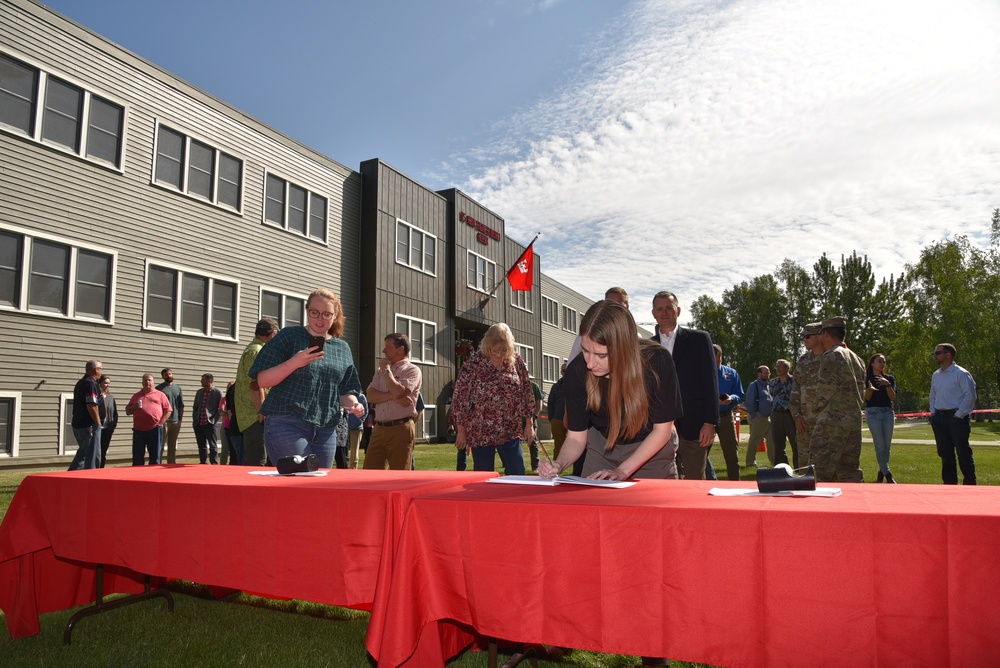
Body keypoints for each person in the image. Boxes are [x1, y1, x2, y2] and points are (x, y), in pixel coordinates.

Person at [539, 299, 682, 480]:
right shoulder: (577, 370)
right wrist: (558, 464)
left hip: (651, 451)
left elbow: (662, 430)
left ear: (624, 348)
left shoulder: (657, 361)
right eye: (585, 351)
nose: (590, 363)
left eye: (601, 355)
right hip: (601, 449)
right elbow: (576, 438)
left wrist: (622, 471)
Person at [249, 288, 364, 469]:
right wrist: (295, 361)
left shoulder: (342, 348)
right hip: (286, 421)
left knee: (318, 485)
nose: (320, 318)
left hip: (326, 428)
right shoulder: (289, 336)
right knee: (300, 478)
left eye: (327, 314)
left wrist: (354, 403)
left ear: (335, 316)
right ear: (307, 311)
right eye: (314, 313)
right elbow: (262, 380)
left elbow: (345, 389)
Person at [651, 291, 718, 480]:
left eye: (669, 308)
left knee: (695, 479)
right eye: (659, 309)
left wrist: (709, 422)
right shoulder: (646, 346)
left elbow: (710, 383)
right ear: (653, 313)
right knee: (662, 481)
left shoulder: (699, 340)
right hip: (656, 428)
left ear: (678, 310)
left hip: (694, 425)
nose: (664, 313)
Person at [451, 323, 534, 475]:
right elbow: (459, 398)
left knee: (517, 473)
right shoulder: (473, 364)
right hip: (481, 430)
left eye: (503, 351)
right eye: (493, 350)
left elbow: (527, 391)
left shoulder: (516, 361)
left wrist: (529, 424)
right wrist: (461, 430)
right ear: (486, 345)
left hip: (510, 428)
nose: (498, 354)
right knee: (483, 478)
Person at [810, 317, 866, 483]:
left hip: (832, 425)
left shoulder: (832, 356)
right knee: (849, 474)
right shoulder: (857, 359)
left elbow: (824, 392)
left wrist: (813, 411)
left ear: (826, 334)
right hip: (853, 423)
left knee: (818, 474)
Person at [363, 333, 423, 470]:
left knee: (399, 474)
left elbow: (400, 392)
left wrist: (387, 372)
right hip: (378, 429)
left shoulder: (412, 370)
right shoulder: (380, 371)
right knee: (370, 472)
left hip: (401, 428)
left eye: (387, 347)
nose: (384, 351)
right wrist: (393, 396)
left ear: (400, 349)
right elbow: (370, 396)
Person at [929, 343, 977, 485]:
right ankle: (949, 485)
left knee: (963, 453)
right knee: (945, 454)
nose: (935, 356)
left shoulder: (961, 373)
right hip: (939, 417)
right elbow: (933, 395)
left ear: (948, 355)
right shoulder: (936, 375)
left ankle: (969, 483)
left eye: (938, 353)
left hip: (956, 418)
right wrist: (933, 413)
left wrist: (959, 415)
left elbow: (970, 396)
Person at [236, 317, 280, 466]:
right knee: (257, 461)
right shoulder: (256, 351)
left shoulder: (255, 349)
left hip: (254, 415)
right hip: (255, 416)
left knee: (265, 461)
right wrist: (262, 412)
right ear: (273, 334)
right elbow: (255, 384)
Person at [790, 322, 823, 467]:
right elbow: (795, 391)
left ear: (820, 336)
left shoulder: (832, 359)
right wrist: (796, 416)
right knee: (804, 466)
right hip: (804, 424)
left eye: (807, 336)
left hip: (825, 424)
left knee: (825, 466)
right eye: (803, 337)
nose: (804, 340)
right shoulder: (803, 361)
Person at [125, 373, 172, 465]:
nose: (147, 381)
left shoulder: (160, 395)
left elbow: (168, 410)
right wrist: (134, 407)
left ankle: (153, 476)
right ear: (142, 382)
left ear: (153, 382)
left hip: (155, 429)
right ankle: (137, 476)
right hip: (139, 430)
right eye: (145, 380)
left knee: (155, 457)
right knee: (137, 457)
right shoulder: (136, 396)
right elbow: (127, 411)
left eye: (149, 380)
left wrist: (160, 423)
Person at [713, 345, 744, 481]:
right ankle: (703, 483)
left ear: (721, 356)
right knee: (699, 455)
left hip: (726, 417)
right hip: (707, 418)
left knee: (732, 455)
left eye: (717, 357)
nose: (714, 361)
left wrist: (732, 399)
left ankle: (734, 484)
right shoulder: (700, 372)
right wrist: (714, 401)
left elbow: (739, 393)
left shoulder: (731, 373)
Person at [865, 354, 897, 483]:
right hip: (873, 413)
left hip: (888, 413)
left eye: (884, 362)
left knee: (887, 446)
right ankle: (888, 474)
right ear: (872, 363)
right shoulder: (867, 378)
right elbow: (867, 398)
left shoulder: (889, 379)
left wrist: (888, 385)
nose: (882, 364)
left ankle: (881, 472)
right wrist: (870, 390)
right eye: (879, 361)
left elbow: (892, 397)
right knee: (880, 445)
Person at [69, 360, 105, 470]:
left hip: (80, 424)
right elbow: (92, 405)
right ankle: (76, 478)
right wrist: (98, 423)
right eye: (101, 369)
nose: (101, 372)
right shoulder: (90, 384)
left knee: (84, 453)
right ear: (96, 370)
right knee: (90, 456)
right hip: (88, 426)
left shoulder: (81, 382)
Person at [769, 359, 798, 468]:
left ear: (787, 368)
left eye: (780, 366)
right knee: (778, 444)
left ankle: (798, 469)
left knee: (795, 443)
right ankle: (782, 469)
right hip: (776, 414)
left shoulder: (794, 381)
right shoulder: (772, 383)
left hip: (790, 415)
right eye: (777, 366)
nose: (778, 368)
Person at [745, 365, 775, 467]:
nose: (767, 375)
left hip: (769, 417)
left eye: (768, 373)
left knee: (772, 441)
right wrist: (754, 416)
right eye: (765, 373)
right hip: (758, 417)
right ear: (759, 374)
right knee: (754, 441)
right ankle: (750, 462)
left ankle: (774, 461)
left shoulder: (768, 385)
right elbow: (749, 402)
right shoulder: (754, 385)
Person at [192, 373, 223, 464]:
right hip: (199, 423)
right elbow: (195, 407)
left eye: (203, 379)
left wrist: (214, 420)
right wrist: (195, 418)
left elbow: (220, 408)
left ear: (210, 381)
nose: (201, 381)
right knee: (201, 445)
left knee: (212, 445)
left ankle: (214, 463)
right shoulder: (199, 392)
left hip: (210, 423)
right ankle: (203, 462)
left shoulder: (217, 392)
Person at [156, 368, 185, 464]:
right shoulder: (159, 389)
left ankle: (171, 464)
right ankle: (157, 463)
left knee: (172, 445)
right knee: (161, 444)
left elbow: (181, 405)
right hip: (164, 421)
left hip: (176, 421)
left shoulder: (178, 388)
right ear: (163, 376)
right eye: (166, 374)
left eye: (170, 374)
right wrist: (160, 420)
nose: (168, 376)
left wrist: (180, 418)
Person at [547, 361, 568, 459]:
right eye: (564, 370)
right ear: (561, 372)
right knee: (558, 445)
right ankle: (556, 468)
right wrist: (552, 418)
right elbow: (550, 403)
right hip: (558, 420)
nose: (566, 372)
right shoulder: (555, 386)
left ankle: (577, 470)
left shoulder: (578, 384)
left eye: (568, 370)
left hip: (573, 420)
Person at [98, 374, 118, 468]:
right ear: (100, 383)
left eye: (108, 383)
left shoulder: (111, 397)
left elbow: (115, 414)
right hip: (96, 428)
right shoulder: (96, 396)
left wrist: (112, 427)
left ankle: (101, 469)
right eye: (105, 383)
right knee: (95, 451)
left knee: (103, 451)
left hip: (106, 430)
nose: (107, 385)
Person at [221, 380, 242, 465]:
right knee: (229, 448)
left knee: (236, 450)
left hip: (236, 427)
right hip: (228, 426)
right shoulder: (226, 397)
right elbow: (223, 411)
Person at [346, 393, 368, 468]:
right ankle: (343, 468)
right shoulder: (345, 396)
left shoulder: (361, 397)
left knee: (354, 452)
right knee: (342, 450)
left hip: (357, 428)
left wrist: (359, 421)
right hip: (344, 427)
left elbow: (365, 411)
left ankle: (353, 469)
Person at [528, 380, 543, 470]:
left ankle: (536, 466)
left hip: (531, 419)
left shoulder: (534, 386)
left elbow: (539, 402)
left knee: (533, 443)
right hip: (517, 420)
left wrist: (535, 415)